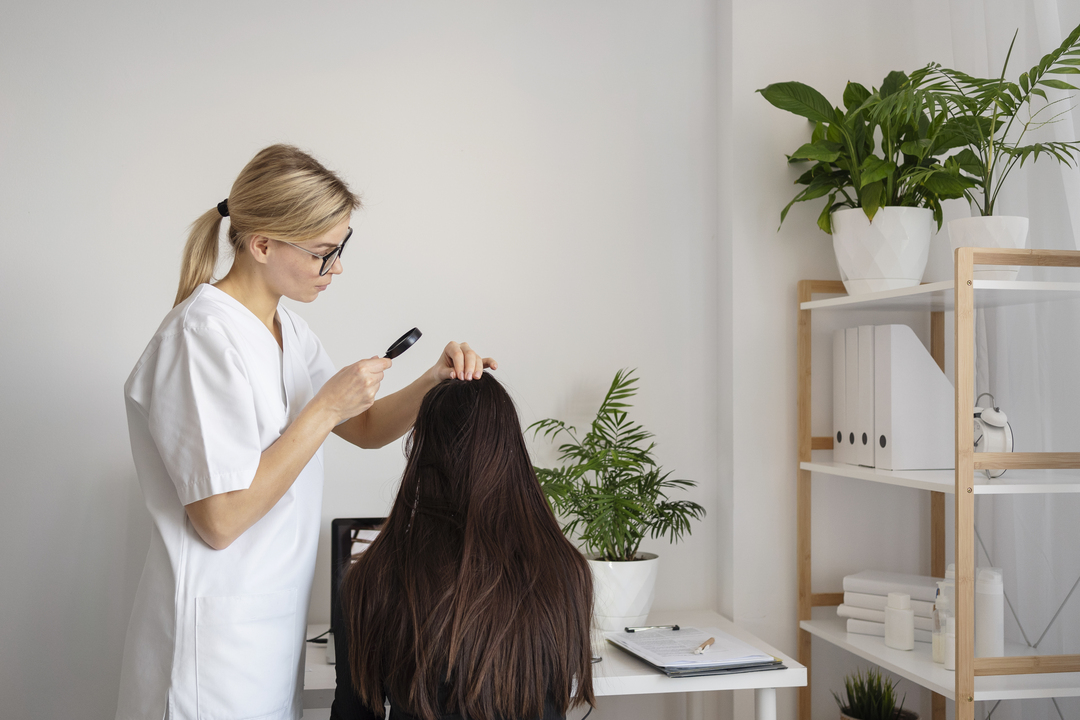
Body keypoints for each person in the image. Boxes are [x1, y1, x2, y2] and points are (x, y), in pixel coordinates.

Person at [116, 144, 496, 720]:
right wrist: (322, 407)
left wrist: (431, 382)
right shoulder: (199, 338)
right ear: (262, 244)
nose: (336, 267)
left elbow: (363, 427)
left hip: (266, 637)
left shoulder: (286, 329)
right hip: (210, 651)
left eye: (341, 249)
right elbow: (220, 520)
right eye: (324, 252)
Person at [332, 373, 595, 720]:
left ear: (417, 445)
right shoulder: (566, 571)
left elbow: (354, 714)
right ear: (511, 447)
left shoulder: (372, 578)